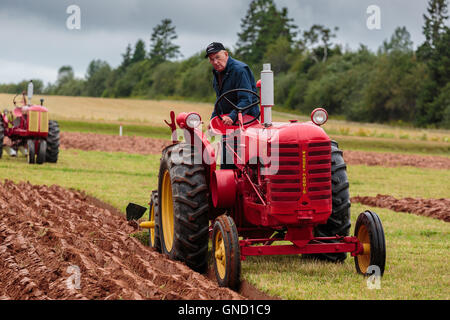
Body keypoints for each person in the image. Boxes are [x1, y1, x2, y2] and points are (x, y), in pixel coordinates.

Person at [205, 42, 259, 168]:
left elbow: (246, 99)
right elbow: (220, 100)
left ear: (226, 54)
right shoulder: (217, 73)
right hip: (229, 123)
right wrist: (213, 120)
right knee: (227, 160)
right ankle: (227, 182)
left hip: (246, 121)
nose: (215, 61)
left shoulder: (239, 70)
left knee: (242, 162)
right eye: (211, 59)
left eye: (217, 57)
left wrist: (232, 116)